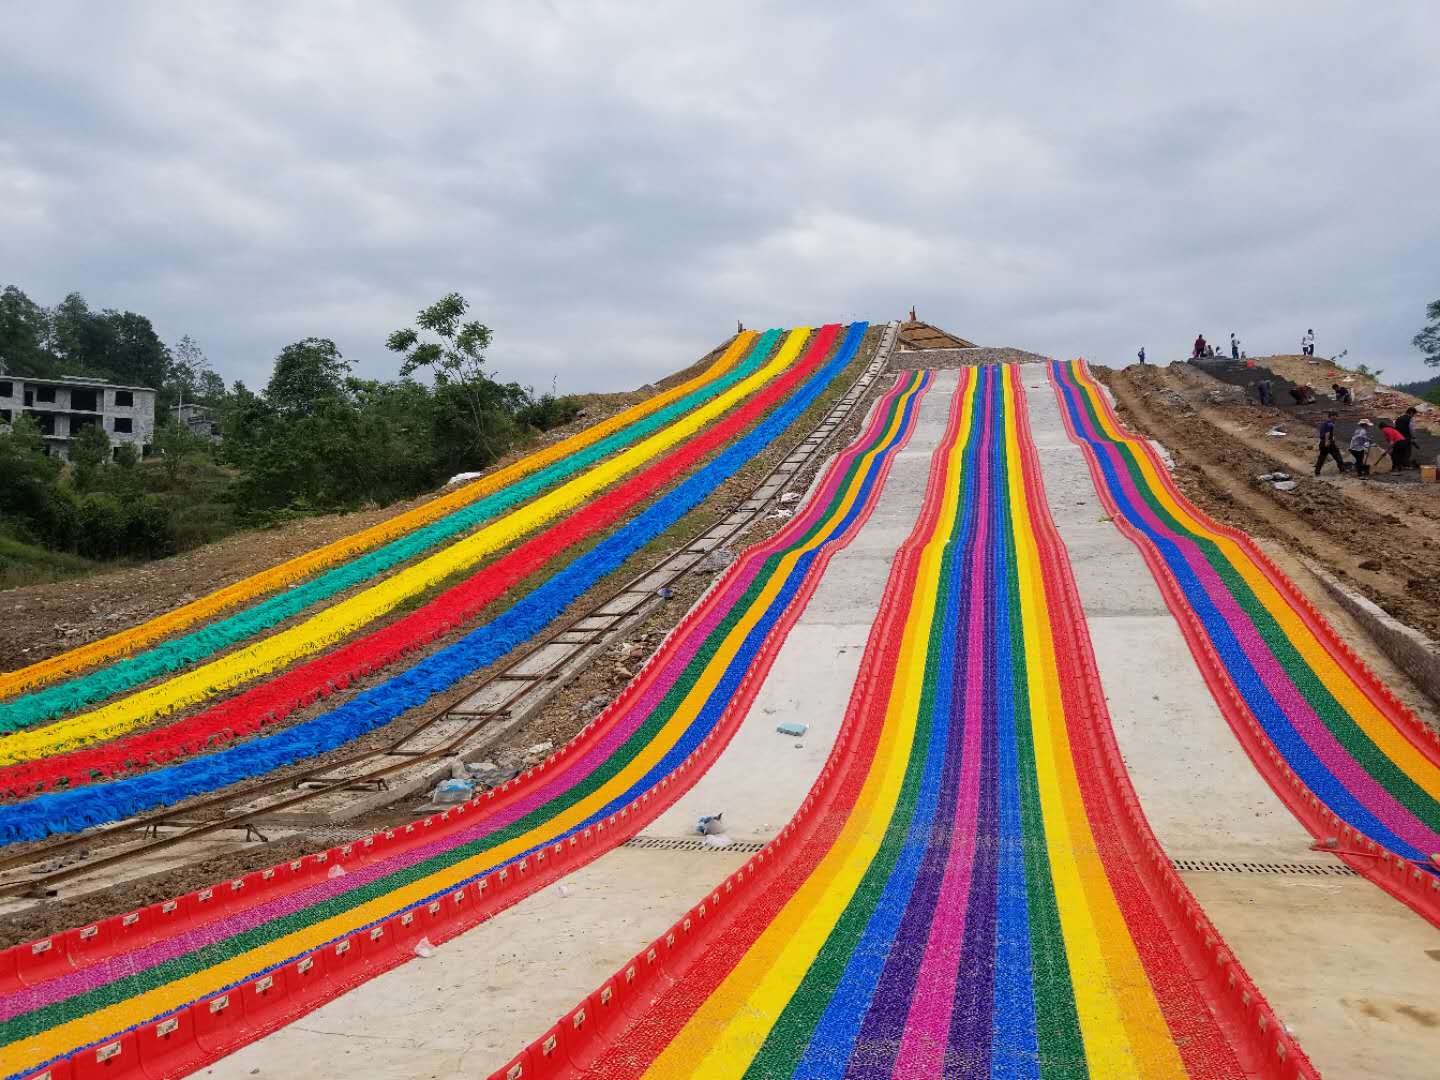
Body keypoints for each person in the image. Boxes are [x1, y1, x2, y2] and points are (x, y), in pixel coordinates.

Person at [1315, 411, 1345, 476]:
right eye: (1336, 416)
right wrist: (1327, 441)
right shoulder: (1330, 424)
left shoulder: (1324, 423)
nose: (1336, 418)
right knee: (1337, 455)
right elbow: (1327, 433)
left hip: (1322, 442)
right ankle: (1342, 469)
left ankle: (1317, 472)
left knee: (1322, 457)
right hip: (1328, 442)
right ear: (1332, 416)